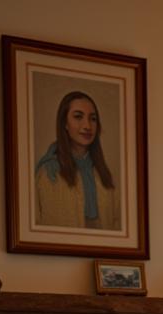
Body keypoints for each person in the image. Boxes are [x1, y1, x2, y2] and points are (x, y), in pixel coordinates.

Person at [35, 91, 121, 231]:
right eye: (78, 117)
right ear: (65, 123)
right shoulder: (48, 173)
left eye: (92, 119)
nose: (87, 126)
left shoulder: (105, 175)